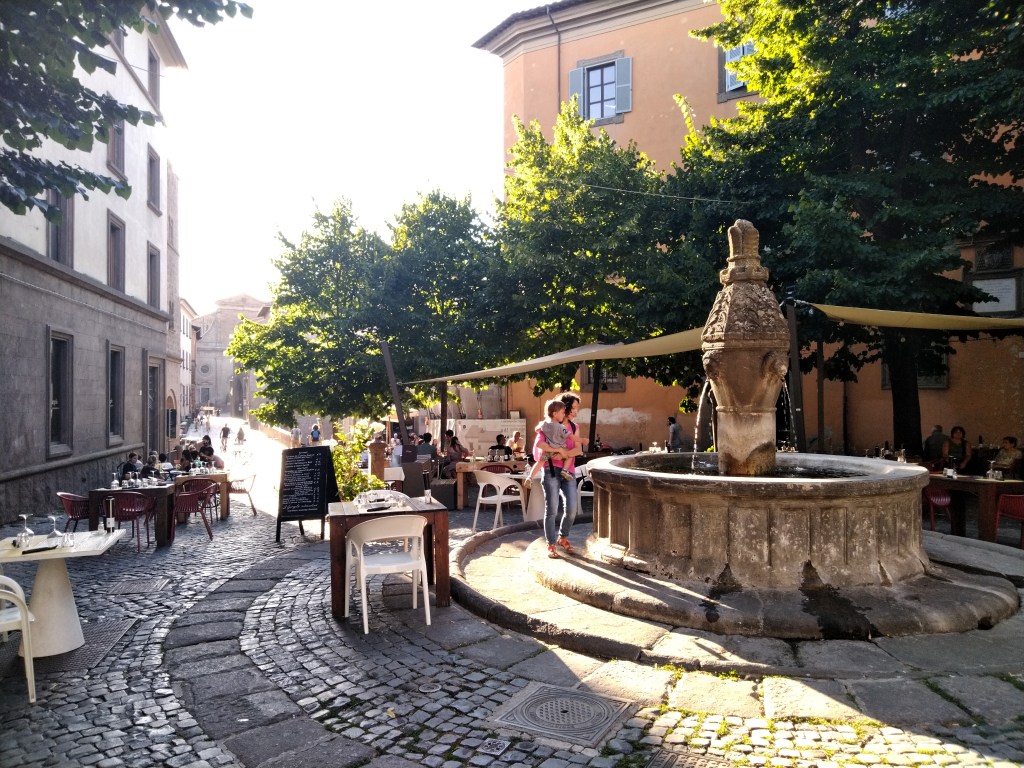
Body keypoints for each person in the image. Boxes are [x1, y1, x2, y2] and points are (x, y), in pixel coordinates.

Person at [534, 397, 580, 559]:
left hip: (569, 471)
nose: (576, 411)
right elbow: (540, 446)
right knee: (552, 509)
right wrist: (559, 452)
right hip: (551, 471)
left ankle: (563, 536)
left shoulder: (574, 427)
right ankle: (551, 543)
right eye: (573, 408)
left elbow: (578, 449)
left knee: (572, 508)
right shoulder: (547, 426)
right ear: (564, 409)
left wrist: (563, 453)